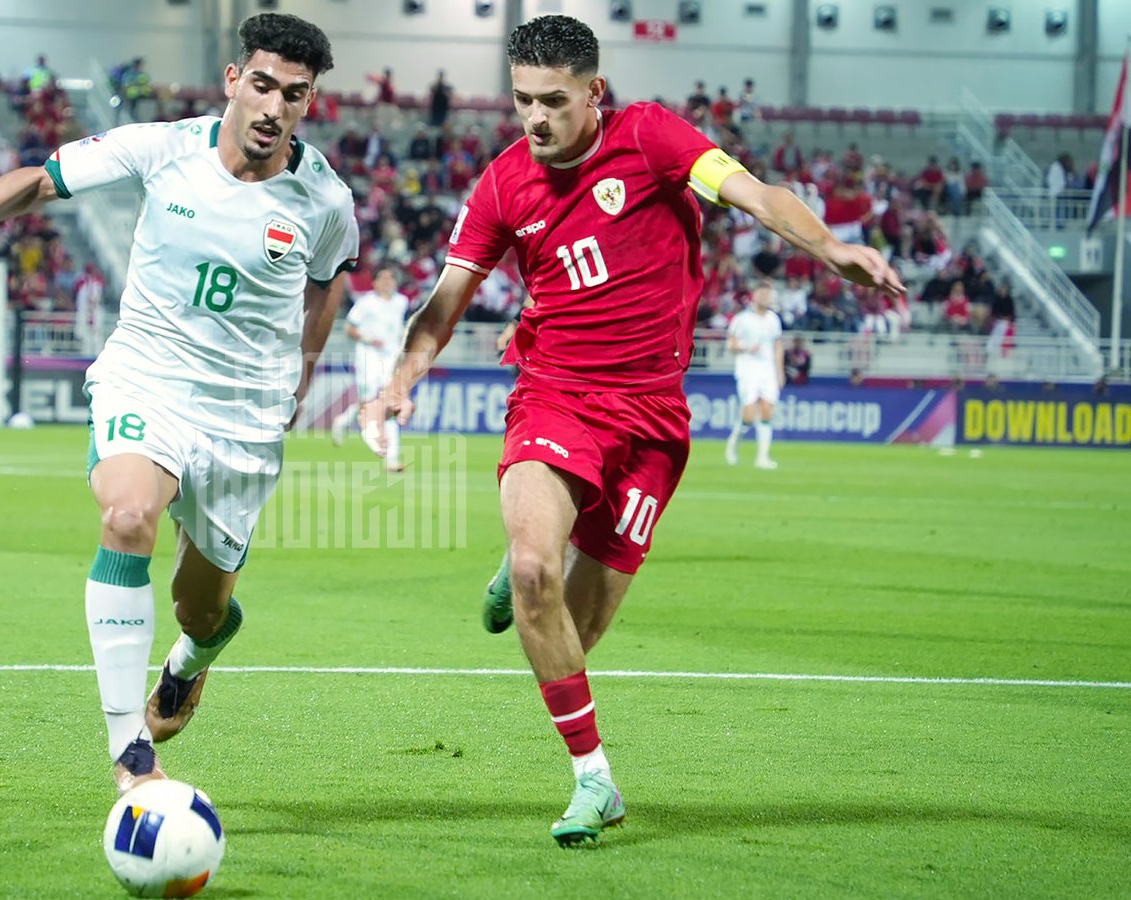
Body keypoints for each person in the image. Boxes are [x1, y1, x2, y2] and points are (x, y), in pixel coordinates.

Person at [364, 15, 901, 846]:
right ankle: (595, 779)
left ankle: (542, 562)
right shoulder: (505, 184)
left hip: (654, 420)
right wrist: (400, 378)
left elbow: (754, 195)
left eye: (551, 101)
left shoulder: (652, 138)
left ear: (593, 93)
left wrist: (832, 248)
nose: (534, 119)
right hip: (556, 396)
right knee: (537, 566)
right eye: (520, 101)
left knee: (576, 626)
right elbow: (447, 297)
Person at [0, 13, 355, 794]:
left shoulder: (323, 198)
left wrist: (301, 378)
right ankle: (131, 754)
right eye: (261, 85)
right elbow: (40, 181)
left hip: (243, 418)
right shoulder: (164, 148)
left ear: (309, 102)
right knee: (127, 517)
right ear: (232, 82)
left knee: (201, 609)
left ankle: (194, 659)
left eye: (295, 94)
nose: (274, 107)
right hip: (147, 376)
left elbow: (328, 286)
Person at [330, 263, 408, 471]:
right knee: (369, 402)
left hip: (391, 358)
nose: (387, 282)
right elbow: (349, 327)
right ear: (374, 282)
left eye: (390, 278)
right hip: (368, 357)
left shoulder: (401, 302)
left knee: (388, 402)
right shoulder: (366, 303)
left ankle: (390, 458)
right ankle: (344, 421)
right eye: (382, 278)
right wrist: (368, 338)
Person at [724, 283, 784, 469]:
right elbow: (730, 345)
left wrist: (779, 371)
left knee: (767, 411)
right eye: (762, 293)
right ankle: (733, 443)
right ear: (754, 296)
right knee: (749, 416)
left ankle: (762, 458)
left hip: (768, 370)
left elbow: (778, 347)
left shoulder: (773, 320)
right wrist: (747, 348)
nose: (765, 297)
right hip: (747, 369)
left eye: (768, 294)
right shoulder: (742, 319)